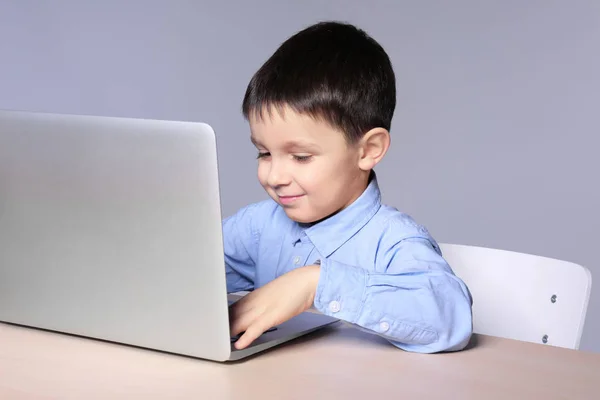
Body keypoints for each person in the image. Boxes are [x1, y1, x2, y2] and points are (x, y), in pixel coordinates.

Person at [223, 21, 473, 353]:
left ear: (368, 150)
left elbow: (450, 317)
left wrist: (315, 284)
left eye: (300, 156)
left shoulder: (393, 239)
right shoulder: (257, 226)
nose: (274, 176)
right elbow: (185, 267)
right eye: (264, 153)